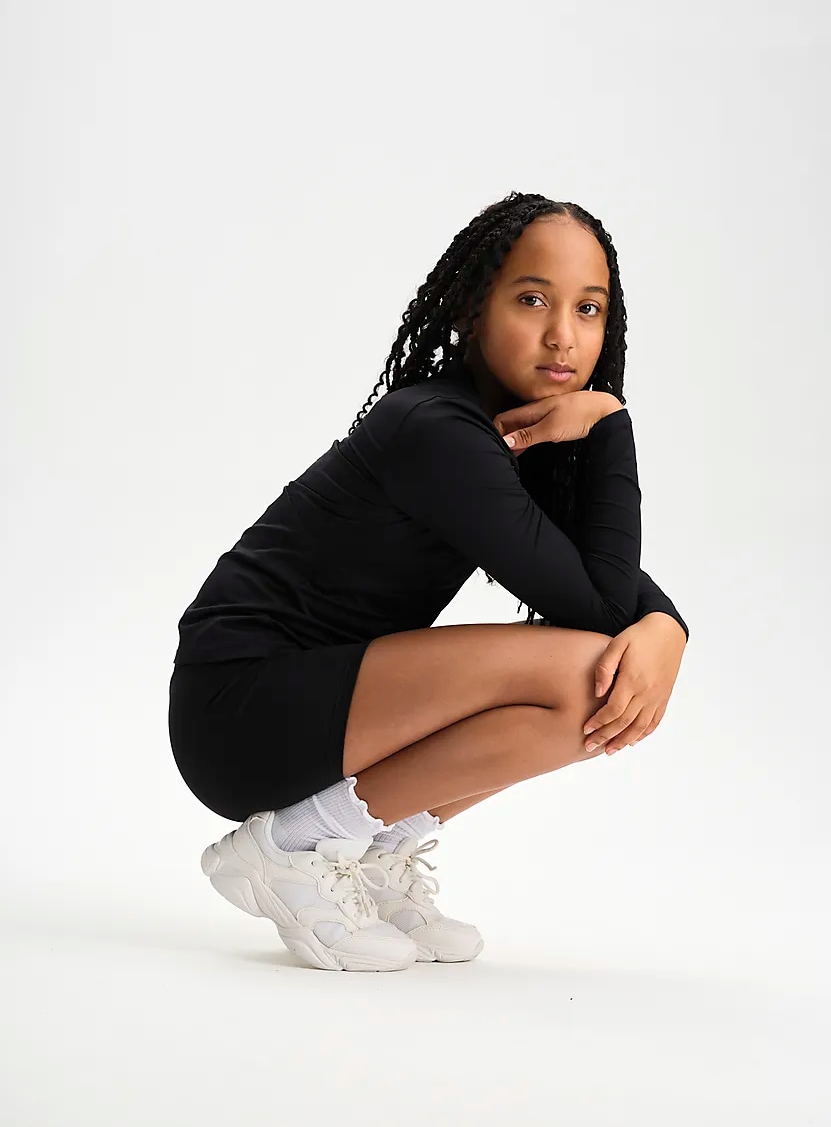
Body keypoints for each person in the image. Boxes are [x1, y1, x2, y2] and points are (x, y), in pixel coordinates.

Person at [168, 189, 690, 973]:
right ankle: (294, 848)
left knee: (601, 686)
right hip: (241, 709)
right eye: (532, 300)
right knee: (588, 673)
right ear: (474, 308)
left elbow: (596, 583)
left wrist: (668, 629)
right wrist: (611, 423)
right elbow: (604, 607)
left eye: (588, 309)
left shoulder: (503, 434)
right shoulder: (438, 431)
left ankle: (373, 852)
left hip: (320, 706)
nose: (563, 335)